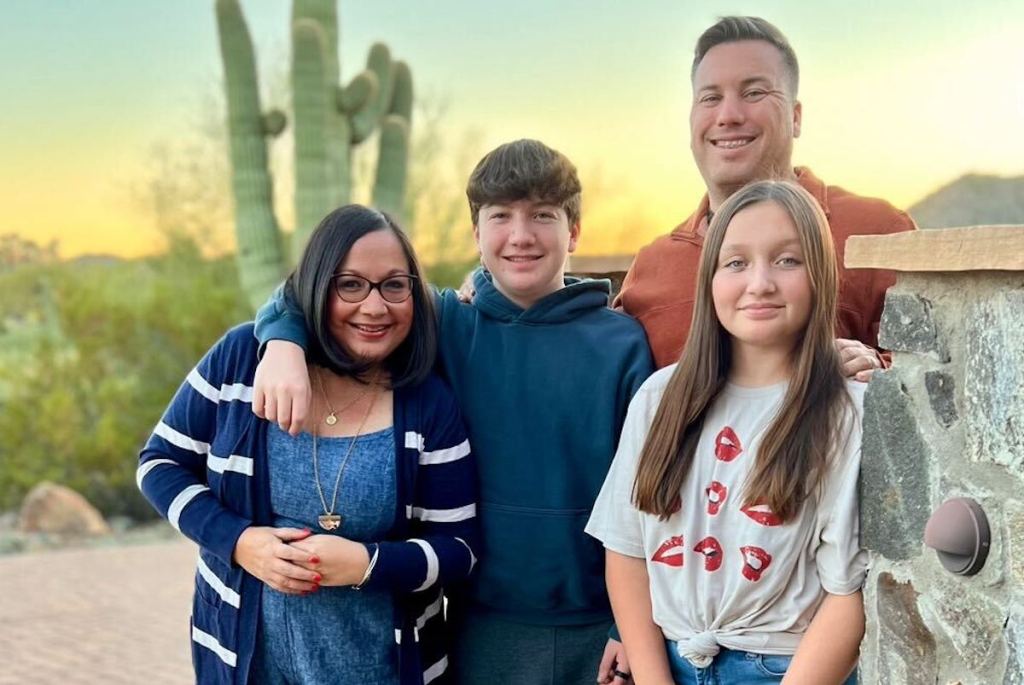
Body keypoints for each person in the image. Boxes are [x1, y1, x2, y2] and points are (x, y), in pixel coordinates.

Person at [252, 140, 654, 684]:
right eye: (500, 216)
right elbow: (320, 288)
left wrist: (629, 626)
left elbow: (649, 496)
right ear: (476, 234)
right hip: (479, 624)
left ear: (573, 231)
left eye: (543, 215)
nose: (521, 235)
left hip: (603, 626)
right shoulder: (445, 322)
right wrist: (282, 342)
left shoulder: (623, 345)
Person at [137, 205, 479, 685]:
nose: (375, 307)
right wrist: (238, 542)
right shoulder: (241, 360)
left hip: (387, 668)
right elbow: (160, 464)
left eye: (394, 285)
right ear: (318, 288)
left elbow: (459, 548)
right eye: (350, 284)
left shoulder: (428, 403)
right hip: (243, 661)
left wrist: (367, 563)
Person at [587, 180, 866, 684]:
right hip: (669, 662)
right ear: (710, 278)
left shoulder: (845, 413)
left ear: (821, 274)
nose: (760, 283)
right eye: (736, 263)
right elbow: (627, 550)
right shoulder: (660, 399)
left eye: (787, 260)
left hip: (783, 667)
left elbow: (849, 596)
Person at [616, 16, 916, 374]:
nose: (728, 115)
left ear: (796, 117)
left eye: (753, 93)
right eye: (710, 98)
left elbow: (937, 374)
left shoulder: (878, 232)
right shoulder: (652, 266)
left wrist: (877, 371)